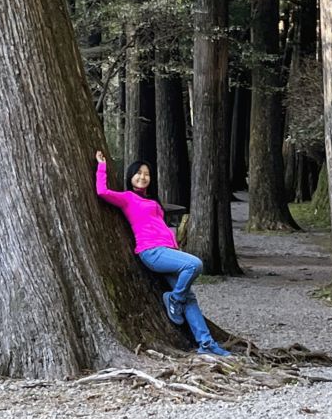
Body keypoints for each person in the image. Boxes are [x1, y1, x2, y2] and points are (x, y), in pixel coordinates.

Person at [94, 150, 231, 356]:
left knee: (189, 298)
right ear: (130, 177)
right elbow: (102, 192)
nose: (143, 177)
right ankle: (174, 299)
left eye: (146, 174)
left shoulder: (153, 201)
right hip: (151, 252)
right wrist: (102, 166)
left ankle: (206, 343)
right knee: (194, 264)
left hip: (167, 251)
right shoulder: (128, 198)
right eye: (138, 173)